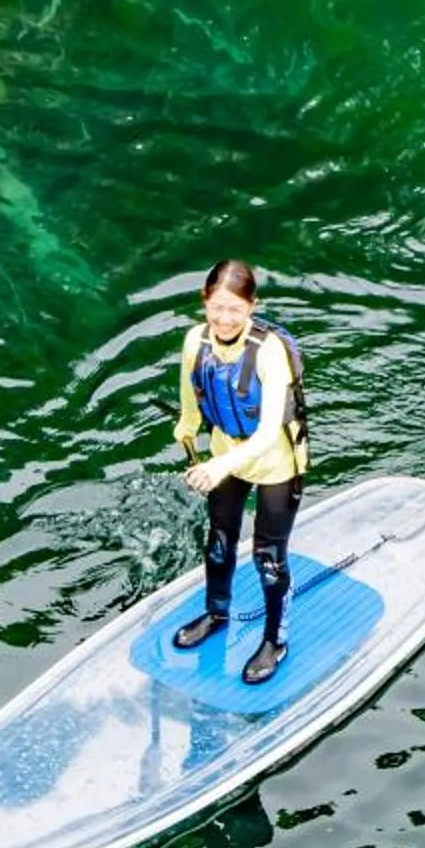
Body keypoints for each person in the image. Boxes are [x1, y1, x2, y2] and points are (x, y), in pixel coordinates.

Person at [171, 260, 306, 686]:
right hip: (224, 451)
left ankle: (275, 641)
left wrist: (219, 466)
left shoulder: (270, 353)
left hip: (274, 464)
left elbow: (269, 433)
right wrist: (187, 429)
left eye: (235, 309)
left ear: (252, 306)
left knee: (267, 556)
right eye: (217, 308)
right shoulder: (196, 340)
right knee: (220, 538)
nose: (225, 319)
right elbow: (191, 398)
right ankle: (216, 612)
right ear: (204, 303)